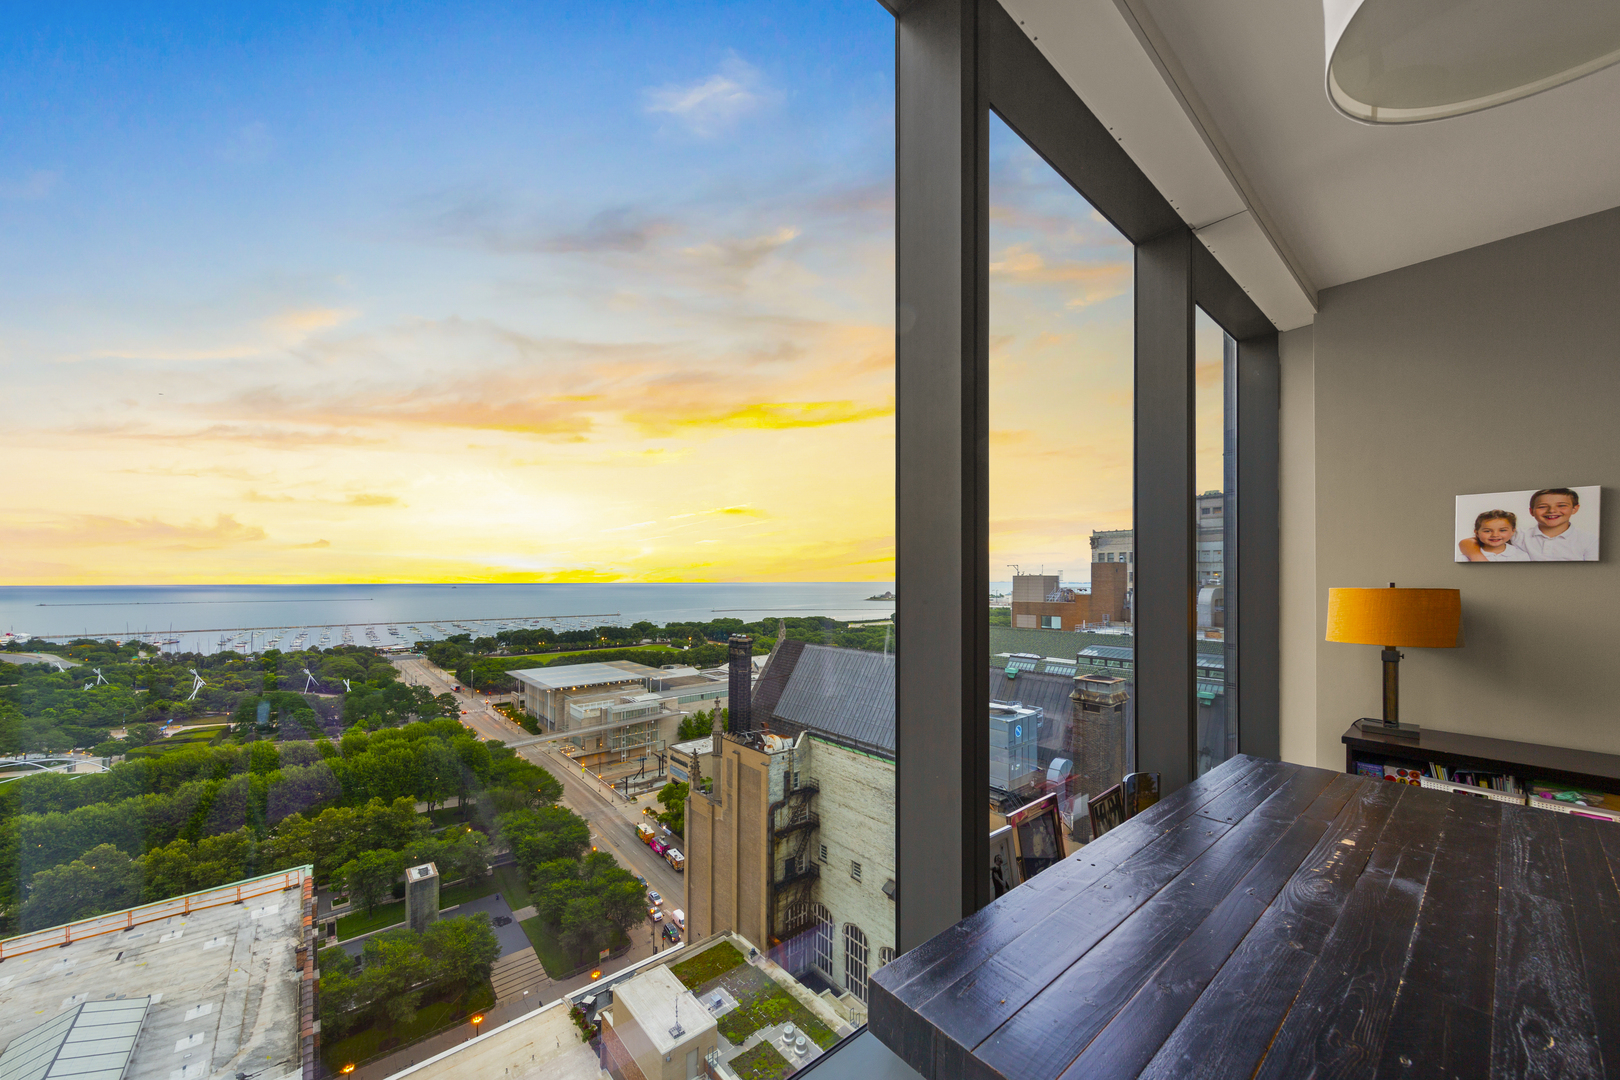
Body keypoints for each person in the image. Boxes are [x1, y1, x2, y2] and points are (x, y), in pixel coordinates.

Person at [1458, 509, 1528, 562]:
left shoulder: (1521, 556)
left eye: (1502, 530)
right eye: (1487, 531)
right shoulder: (1465, 558)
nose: (1495, 535)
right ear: (1477, 533)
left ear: (1513, 531)